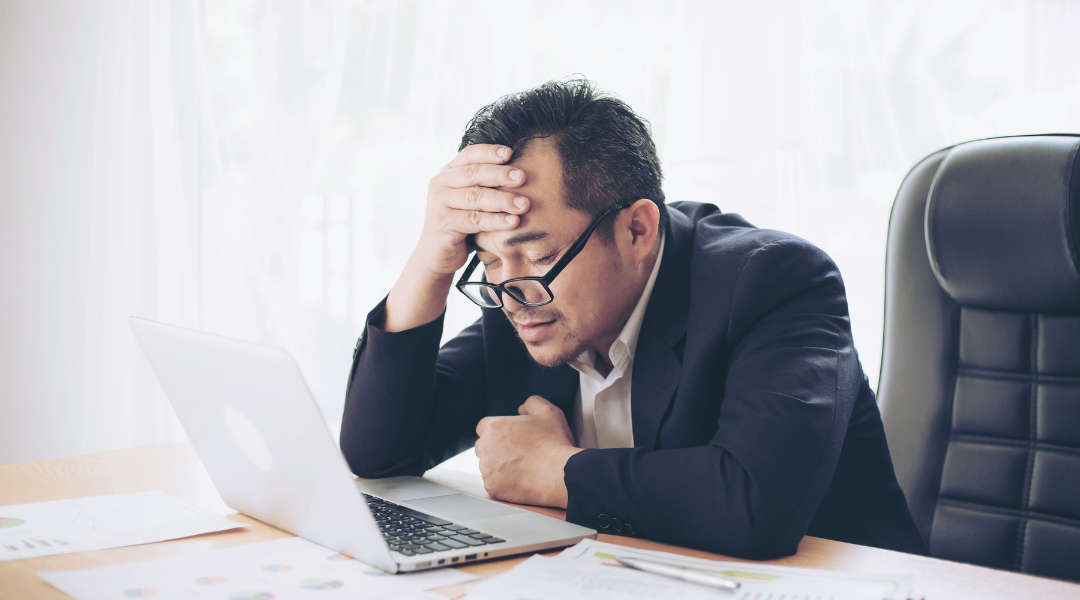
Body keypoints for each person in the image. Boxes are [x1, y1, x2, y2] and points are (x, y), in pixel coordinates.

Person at [340, 78, 927, 559]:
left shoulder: (773, 282)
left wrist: (557, 470)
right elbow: (377, 456)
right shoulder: (520, 293)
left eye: (539, 255)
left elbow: (754, 504)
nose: (511, 291)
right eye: (489, 260)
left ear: (637, 230)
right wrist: (431, 260)